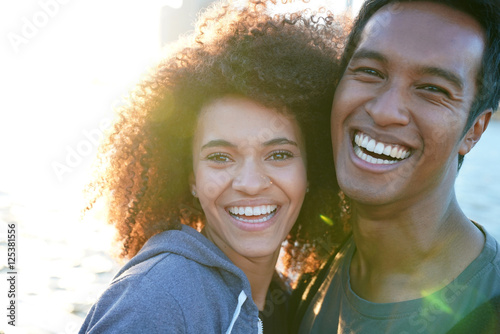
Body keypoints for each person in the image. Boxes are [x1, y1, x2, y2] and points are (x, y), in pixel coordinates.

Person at [78, 1, 347, 333]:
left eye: (278, 154)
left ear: (311, 171)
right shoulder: (155, 302)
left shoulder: (293, 304)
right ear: (191, 177)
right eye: (221, 157)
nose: (250, 183)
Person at [295, 0, 500, 333]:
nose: (385, 111)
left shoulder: (488, 309)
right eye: (371, 72)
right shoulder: (311, 275)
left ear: (474, 130)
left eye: (433, 89)